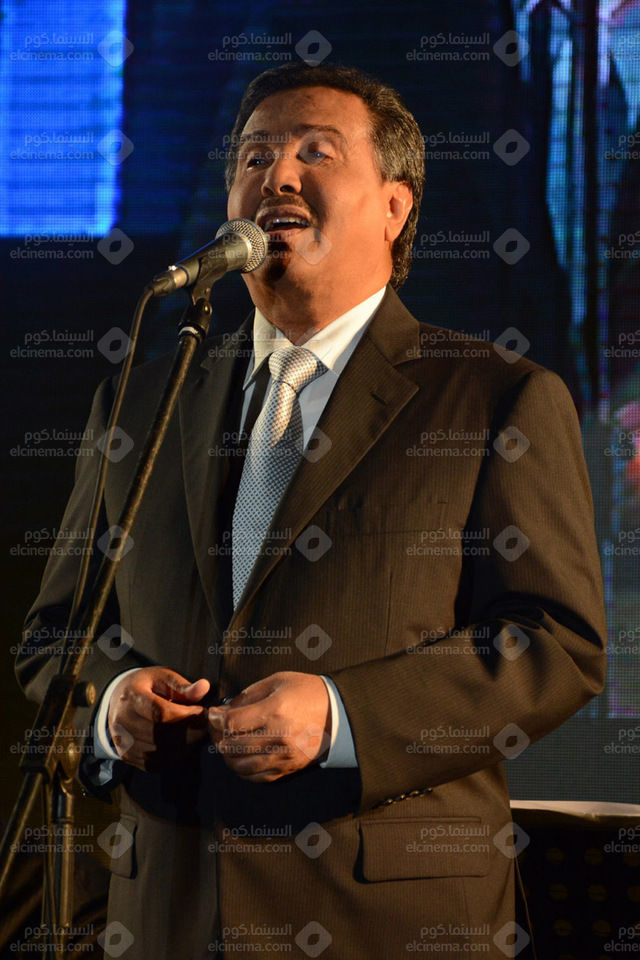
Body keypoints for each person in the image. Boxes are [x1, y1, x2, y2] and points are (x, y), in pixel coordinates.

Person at [18, 62, 607, 959]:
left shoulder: (496, 398)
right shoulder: (140, 401)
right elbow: (57, 634)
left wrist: (342, 716)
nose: (276, 177)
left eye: (314, 153)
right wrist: (111, 706)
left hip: (388, 924)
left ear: (395, 208)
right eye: (254, 157)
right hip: (169, 914)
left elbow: (557, 645)